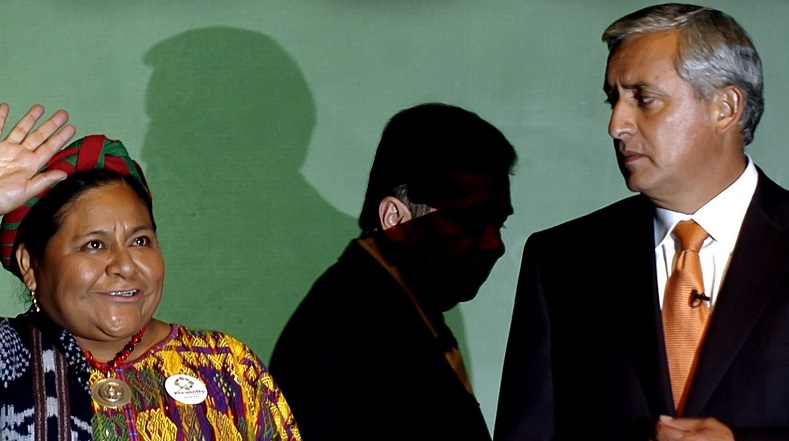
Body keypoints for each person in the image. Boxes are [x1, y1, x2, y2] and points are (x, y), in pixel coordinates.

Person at [495, 3, 789, 440]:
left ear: (725, 108)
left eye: (643, 99)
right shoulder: (561, 261)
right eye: (614, 99)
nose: (616, 125)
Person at [0, 103, 301, 440]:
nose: (126, 265)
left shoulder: (227, 368)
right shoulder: (6, 359)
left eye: (140, 240)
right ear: (30, 264)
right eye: (94, 245)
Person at [269, 102, 517, 440]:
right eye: (470, 221)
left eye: (499, 224)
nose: (495, 245)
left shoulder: (396, 307)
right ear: (394, 219)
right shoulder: (349, 327)